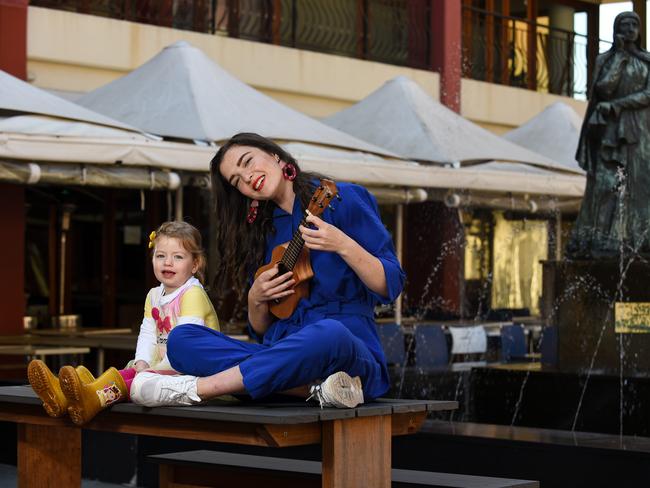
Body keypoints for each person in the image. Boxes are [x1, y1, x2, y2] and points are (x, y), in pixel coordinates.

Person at [129, 132, 405, 409]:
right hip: (282, 353)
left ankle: (198, 388)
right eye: (237, 181)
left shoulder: (341, 199)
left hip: (347, 351)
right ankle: (317, 390)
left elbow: (390, 285)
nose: (247, 177)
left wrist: (343, 244)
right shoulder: (261, 232)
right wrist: (255, 300)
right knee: (182, 340)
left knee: (329, 333)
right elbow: (262, 330)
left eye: (247, 162)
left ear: (275, 155)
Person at [28, 221, 219, 424]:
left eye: (178, 257)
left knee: (133, 381)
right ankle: (64, 395)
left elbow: (185, 345)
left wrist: (150, 371)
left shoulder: (192, 294)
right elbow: (147, 332)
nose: (167, 263)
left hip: (191, 368)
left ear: (195, 264)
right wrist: (142, 362)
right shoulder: (154, 295)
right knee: (127, 373)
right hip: (165, 366)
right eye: (160, 255)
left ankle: (92, 398)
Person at [568, 11, 650, 258]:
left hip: (639, 129)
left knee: (640, 184)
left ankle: (639, 237)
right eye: (624, 24)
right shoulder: (606, 59)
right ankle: (600, 237)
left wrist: (619, 104)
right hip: (610, 129)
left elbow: (649, 94)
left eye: (634, 24)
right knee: (606, 184)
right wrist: (620, 58)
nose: (629, 28)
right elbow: (603, 89)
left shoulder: (647, 60)